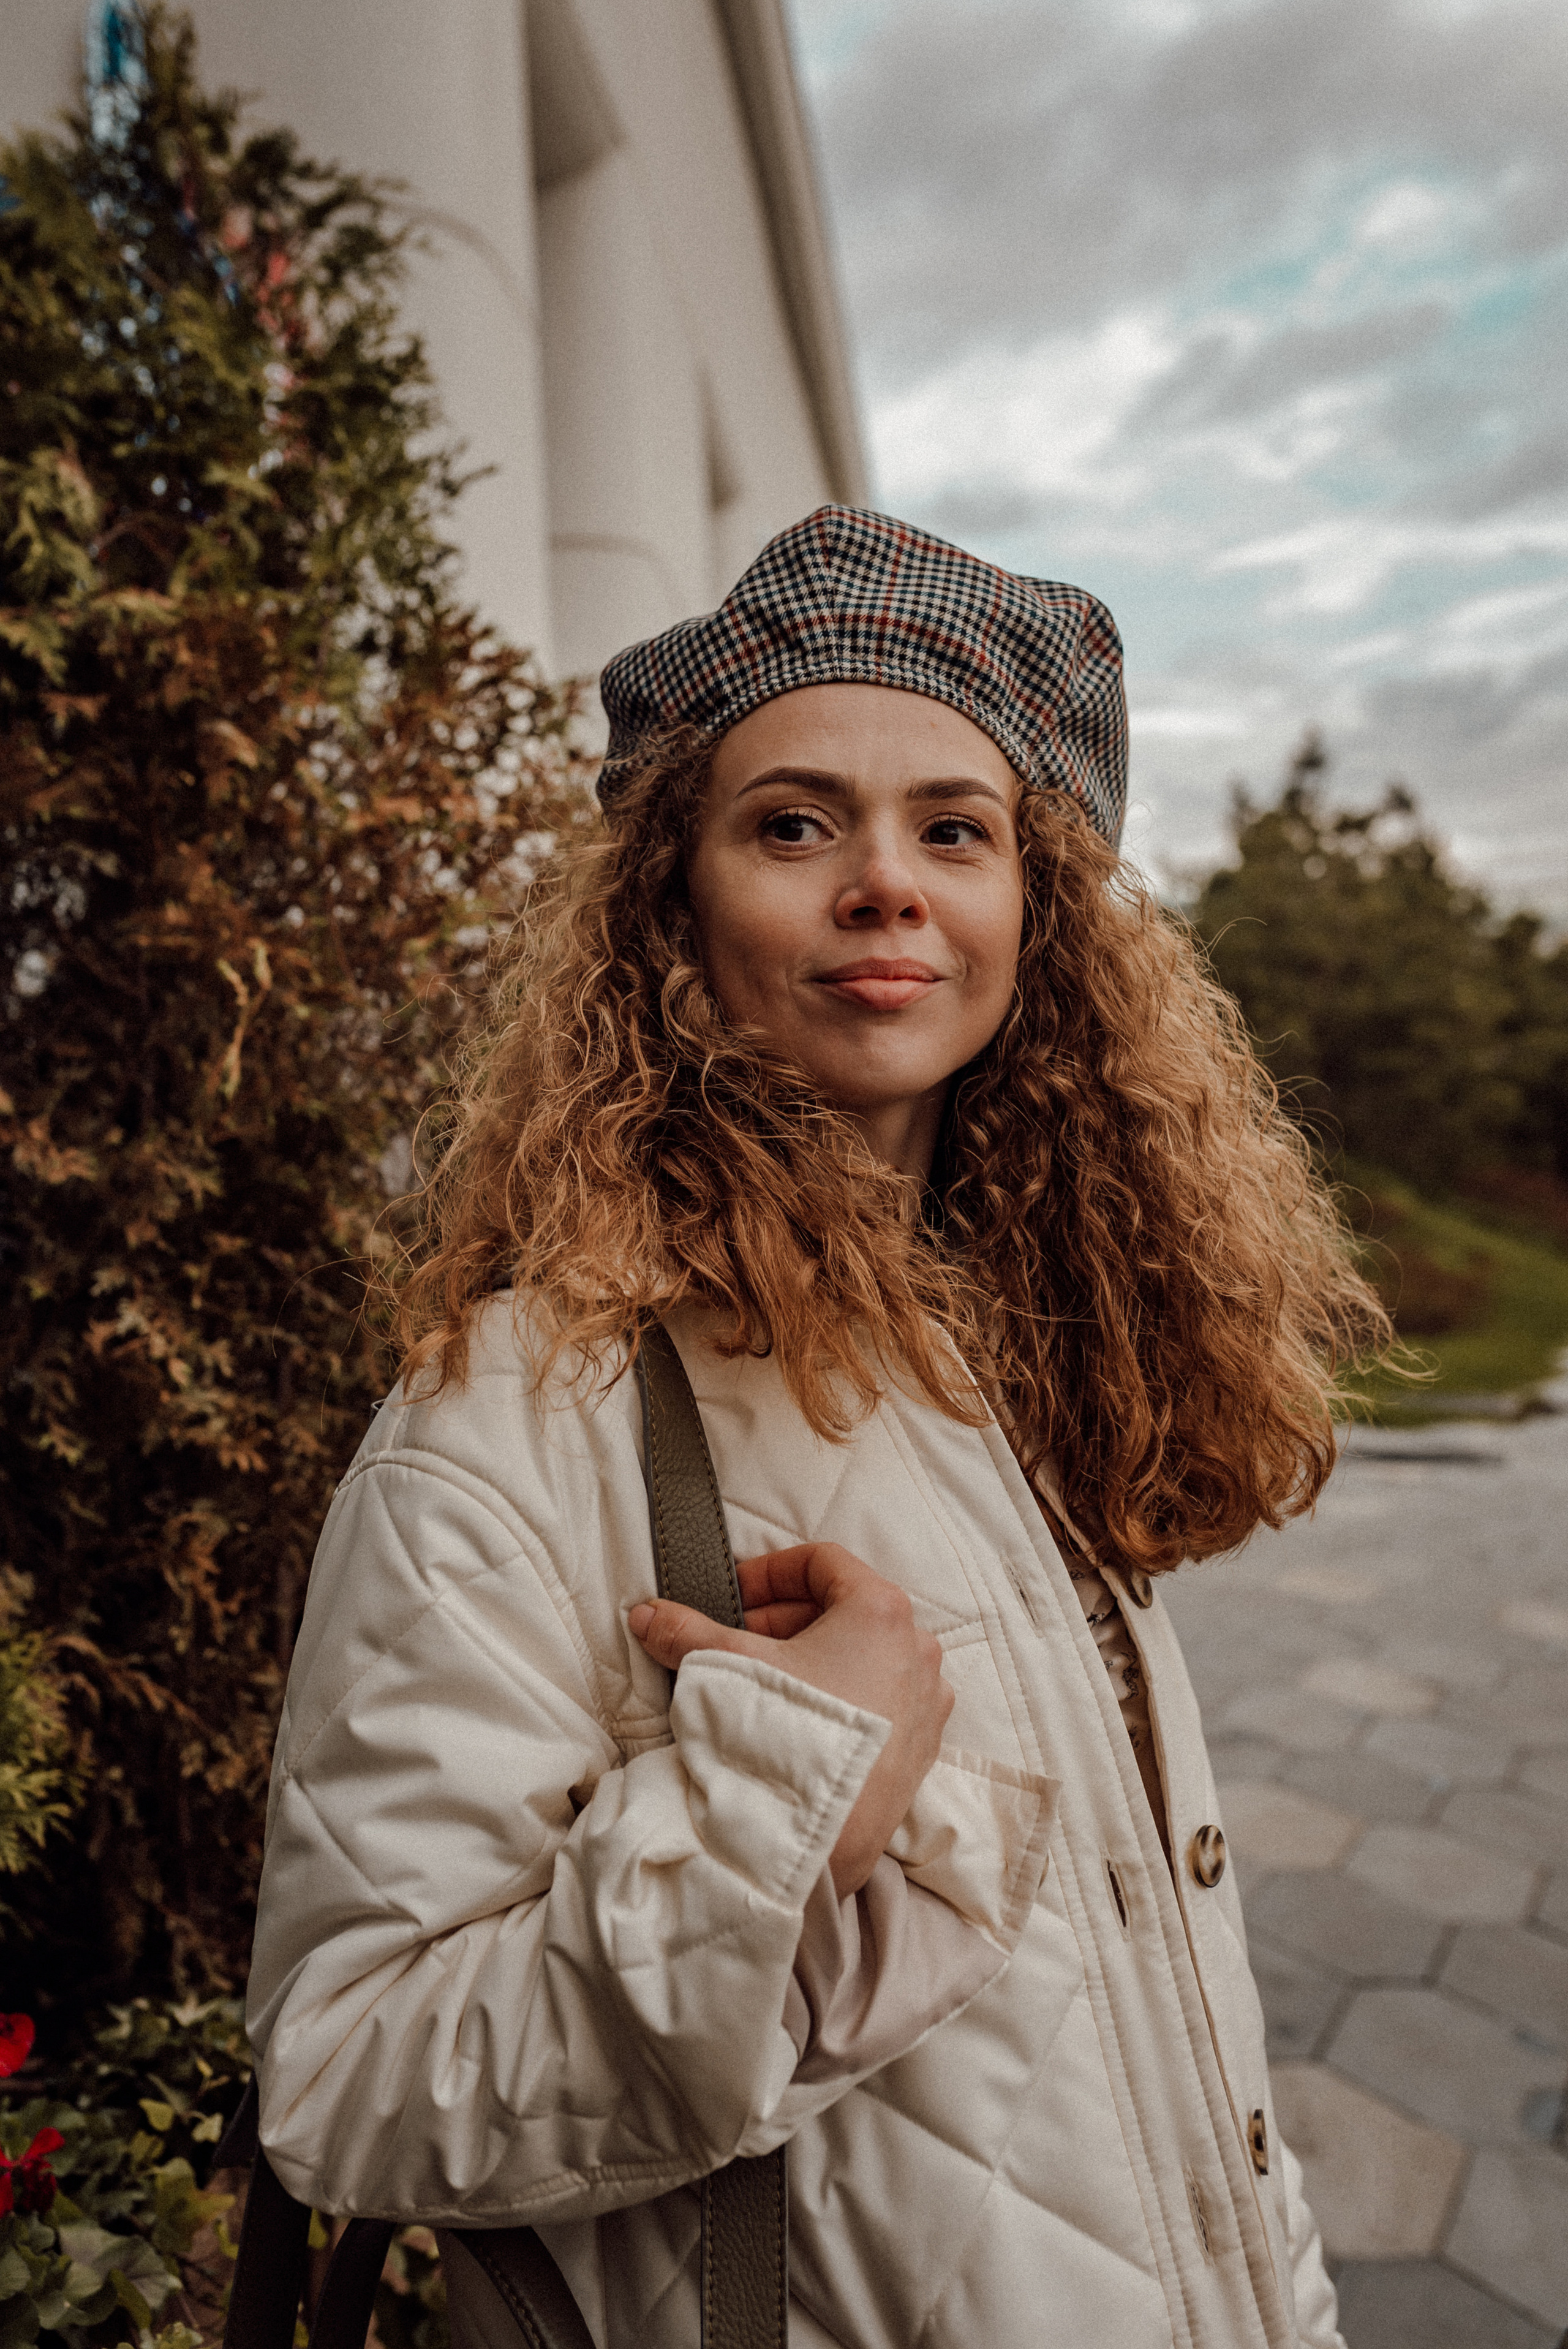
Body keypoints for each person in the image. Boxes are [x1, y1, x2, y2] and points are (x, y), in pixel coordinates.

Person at [248, 507, 1382, 2349]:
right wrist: (783, 1783)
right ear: (671, 906)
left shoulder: (1022, 1357)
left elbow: (1178, 2045)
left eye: (957, 826)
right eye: (795, 823)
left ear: (1040, 916)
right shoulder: (517, 1413)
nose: (886, 882)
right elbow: (349, 2077)